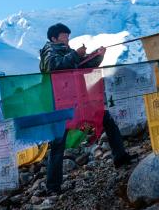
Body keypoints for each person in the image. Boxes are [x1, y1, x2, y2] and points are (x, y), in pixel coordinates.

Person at [39, 23, 134, 194]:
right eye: (63, 35)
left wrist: (96, 56)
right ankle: (52, 186)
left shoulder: (66, 51)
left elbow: (82, 66)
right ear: (54, 38)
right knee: (58, 143)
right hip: (60, 104)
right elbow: (53, 67)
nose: (67, 38)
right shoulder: (49, 51)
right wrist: (76, 54)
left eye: (67, 35)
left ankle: (120, 157)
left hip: (77, 101)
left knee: (106, 119)